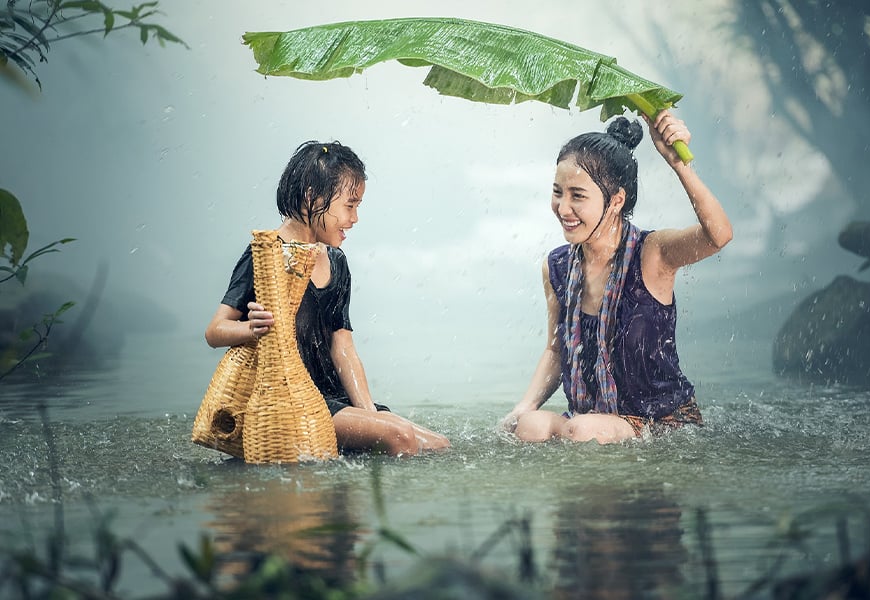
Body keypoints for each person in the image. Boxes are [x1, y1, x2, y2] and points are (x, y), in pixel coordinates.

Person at [205, 140, 450, 456]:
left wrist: (369, 413)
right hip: (295, 402)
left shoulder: (336, 261)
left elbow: (343, 347)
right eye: (350, 206)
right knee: (400, 437)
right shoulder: (266, 256)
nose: (355, 218)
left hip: (336, 399)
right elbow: (214, 331)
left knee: (437, 445)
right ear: (312, 197)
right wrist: (250, 329)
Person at [501, 111, 732, 444]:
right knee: (531, 426)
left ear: (616, 201)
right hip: (592, 420)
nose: (563, 208)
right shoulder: (558, 267)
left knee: (582, 429)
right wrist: (523, 406)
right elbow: (556, 350)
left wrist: (678, 163)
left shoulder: (652, 255)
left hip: (662, 422)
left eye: (577, 196)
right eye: (557, 192)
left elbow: (718, 235)